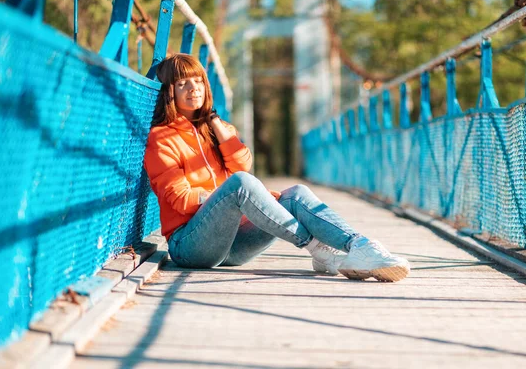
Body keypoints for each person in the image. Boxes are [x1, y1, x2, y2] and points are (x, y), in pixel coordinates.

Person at [143, 53, 410, 282]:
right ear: (169, 91)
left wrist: (213, 123)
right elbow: (180, 199)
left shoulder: (216, 129)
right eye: (183, 83)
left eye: (199, 80)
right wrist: (230, 196)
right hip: (191, 247)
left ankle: (360, 247)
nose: (194, 88)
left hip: (234, 247)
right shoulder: (161, 138)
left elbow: (241, 164)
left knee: (295, 194)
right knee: (242, 185)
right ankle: (317, 247)